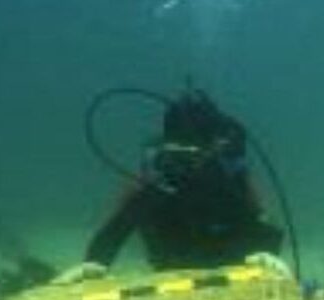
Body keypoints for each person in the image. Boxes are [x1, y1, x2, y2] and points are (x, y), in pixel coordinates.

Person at [56, 89, 290, 283]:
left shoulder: (231, 176)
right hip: (171, 267)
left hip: (232, 269)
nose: (188, 164)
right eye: (179, 152)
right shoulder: (154, 179)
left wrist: (266, 256)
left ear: (215, 147)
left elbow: (261, 221)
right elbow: (118, 225)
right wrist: (94, 263)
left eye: (196, 153)